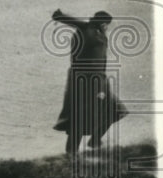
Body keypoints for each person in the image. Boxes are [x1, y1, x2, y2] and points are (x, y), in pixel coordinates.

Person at [51, 9, 128, 157]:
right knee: (85, 117)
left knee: (109, 111)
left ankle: (88, 144)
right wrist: (99, 88)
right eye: (107, 25)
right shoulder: (91, 34)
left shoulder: (91, 32)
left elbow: (78, 23)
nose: (107, 28)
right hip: (90, 82)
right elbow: (93, 64)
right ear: (104, 24)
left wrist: (60, 16)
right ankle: (74, 153)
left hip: (88, 80)